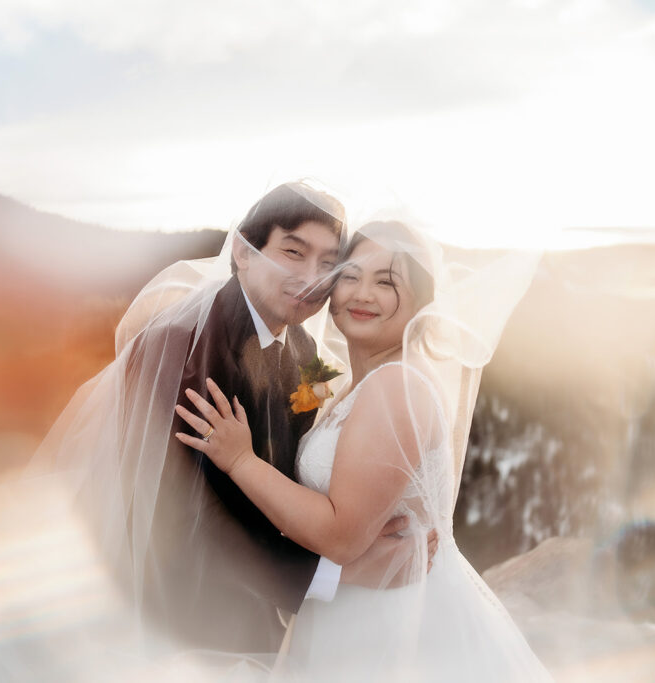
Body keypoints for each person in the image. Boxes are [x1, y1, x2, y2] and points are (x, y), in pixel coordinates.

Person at [0, 183, 435, 682]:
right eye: (293, 252)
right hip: (161, 622)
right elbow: (193, 509)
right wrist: (336, 573)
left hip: (238, 618)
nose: (310, 278)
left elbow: (286, 478)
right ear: (242, 251)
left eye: (328, 264)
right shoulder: (182, 347)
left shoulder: (302, 353)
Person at [177, 219, 551, 681]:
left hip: (387, 623)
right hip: (352, 609)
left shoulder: (396, 385)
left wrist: (240, 461)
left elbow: (341, 536)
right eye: (349, 276)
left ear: (421, 300)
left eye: (385, 282)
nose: (361, 294)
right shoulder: (351, 383)